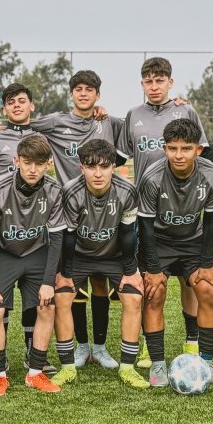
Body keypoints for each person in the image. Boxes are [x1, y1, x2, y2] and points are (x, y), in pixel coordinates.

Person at [0, 70, 126, 370]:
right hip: (61, 209)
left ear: (98, 95)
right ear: (71, 93)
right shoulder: (55, 121)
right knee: (68, 282)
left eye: (90, 90)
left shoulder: (109, 122)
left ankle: (98, 348)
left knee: (97, 283)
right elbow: (22, 124)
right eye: (78, 89)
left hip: (97, 211)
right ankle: (75, 347)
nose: (84, 94)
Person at [117, 57, 212, 368]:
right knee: (152, 284)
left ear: (171, 82)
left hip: (184, 211)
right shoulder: (133, 115)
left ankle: (192, 342)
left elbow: (205, 155)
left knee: (190, 283)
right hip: (148, 211)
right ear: (142, 84)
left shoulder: (186, 111)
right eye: (148, 81)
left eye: (160, 80)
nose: (154, 86)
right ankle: (147, 347)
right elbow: (118, 157)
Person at [0, 82, 57, 375]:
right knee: (0, 304)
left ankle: (34, 356)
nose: (18, 106)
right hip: (3, 225)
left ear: (32, 105)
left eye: (23, 101)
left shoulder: (44, 135)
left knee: (40, 301)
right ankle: (0, 362)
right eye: (11, 102)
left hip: (34, 227)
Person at [137, 119, 213, 388]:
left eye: (186, 149)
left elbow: (212, 220)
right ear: (164, 148)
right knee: (155, 294)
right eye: (173, 148)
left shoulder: (211, 174)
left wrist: (206, 262)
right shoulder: (152, 177)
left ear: (198, 150)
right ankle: (157, 366)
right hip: (159, 241)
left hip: (193, 241)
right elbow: (146, 227)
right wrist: (152, 269)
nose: (179, 155)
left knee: (209, 289)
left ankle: (207, 361)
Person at [54, 139, 146, 389]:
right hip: (80, 256)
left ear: (113, 167)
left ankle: (127, 368)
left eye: (104, 167)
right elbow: (68, 236)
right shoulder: (71, 192)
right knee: (62, 297)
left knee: (134, 297)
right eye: (91, 166)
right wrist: (66, 273)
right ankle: (67, 367)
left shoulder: (127, 191)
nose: (97, 173)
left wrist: (130, 271)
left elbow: (129, 233)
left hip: (113, 257)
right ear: (81, 167)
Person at [0, 135, 64, 395]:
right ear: (16, 161)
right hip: (4, 252)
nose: (32, 169)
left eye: (39, 164)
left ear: (48, 164)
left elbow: (58, 237)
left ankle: (35, 373)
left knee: (47, 306)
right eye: (27, 162)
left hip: (37, 252)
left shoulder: (53, 190)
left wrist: (49, 281)